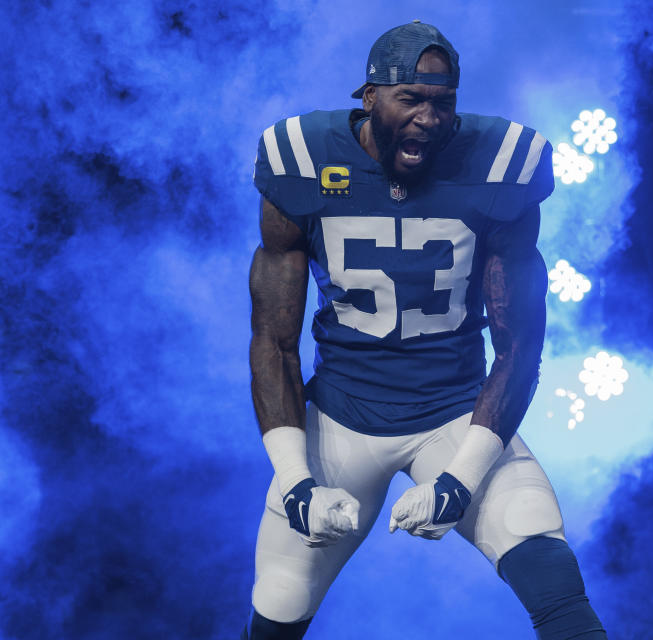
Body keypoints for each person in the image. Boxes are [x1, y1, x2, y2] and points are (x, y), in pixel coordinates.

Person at [244, 21, 607, 640]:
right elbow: (273, 341)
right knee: (279, 601)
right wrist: (295, 480)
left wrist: (460, 480)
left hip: (453, 414)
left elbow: (519, 346)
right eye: (410, 99)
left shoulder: (500, 167)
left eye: (442, 104)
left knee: (541, 547)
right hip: (341, 416)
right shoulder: (301, 161)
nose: (428, 120)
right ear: (368, 97)